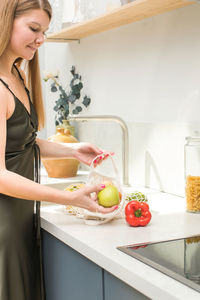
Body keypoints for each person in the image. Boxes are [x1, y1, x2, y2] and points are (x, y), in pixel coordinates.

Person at [0, 1, 117, 299]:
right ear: (5, 21)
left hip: (22, 218)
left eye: (45, 31)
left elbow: (23, 143)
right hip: (4, 226)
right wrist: (69, 197)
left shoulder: (18, 77)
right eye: (34, 28)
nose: (41, 39)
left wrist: (73, 150)